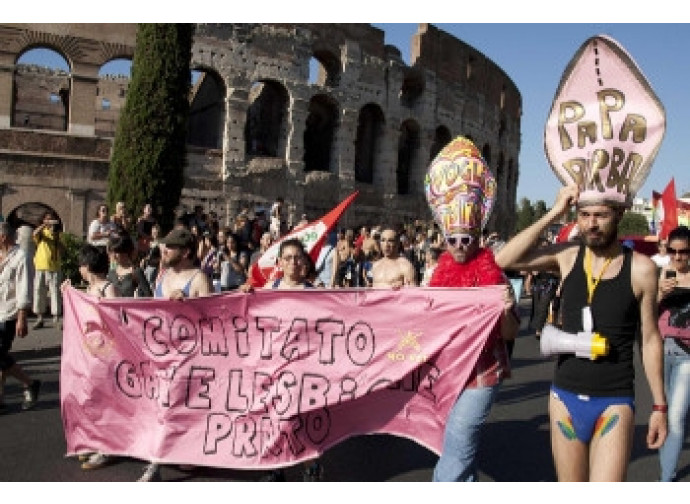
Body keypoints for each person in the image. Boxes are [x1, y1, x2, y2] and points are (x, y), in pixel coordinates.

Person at [495, 184, 667, 481]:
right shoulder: (569, 256)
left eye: (600, 215)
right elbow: (504, 259)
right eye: (584, 215)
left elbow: (650, 339)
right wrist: (554, 213)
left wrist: (659, 405)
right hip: (565, 398)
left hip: (614, 400)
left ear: (620, 214)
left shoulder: (641, 269)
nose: (591, 223)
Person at [424, 136, 517, 481]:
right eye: (454, 240)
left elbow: (510, 335)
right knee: (455, 446)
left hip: (482, 373)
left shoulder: (494, 277)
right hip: (449, 373)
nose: (461, 246)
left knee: (459, 442)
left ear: (478, 238)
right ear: (444, 241)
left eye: (467, 239)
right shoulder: (438, 274)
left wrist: (506, 310)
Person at [240, 238, 323, 481]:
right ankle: (277, 468)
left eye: (298, 258)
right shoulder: (268, 291)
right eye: (288, 258)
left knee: (306, 424)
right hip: (274, 369)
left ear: (305, 263)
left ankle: (311, 469)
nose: (294, 262)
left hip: (304, 370)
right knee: (275, 421)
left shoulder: (317, 294)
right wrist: (246, 295)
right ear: (280, 263)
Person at [138, 227, 213, 482]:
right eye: (164, 246)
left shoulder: (199, 278)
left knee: (174, 409)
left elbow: (211, 321)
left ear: (186, 252)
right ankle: (164, 457)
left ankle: (156, 464)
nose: (164, 250)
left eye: (169, 248)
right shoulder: (163, 275)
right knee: (159, 409)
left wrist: (189, 304)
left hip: (188, 359)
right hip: (160, 354)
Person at [66, 244, 118, 470]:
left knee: (103, 401)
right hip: (88, 354)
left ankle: (105, 448)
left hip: (105, 355)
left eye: (81, 265)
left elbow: (116, 320)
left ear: (88, 266)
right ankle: (92, 441)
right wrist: (69, 295)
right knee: (88, 398)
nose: (79, 270)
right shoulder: (85, 290)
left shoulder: (108, 288)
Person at [656, 225, 690, 481]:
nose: (677, 257)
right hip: (658, 353)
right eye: (673, 251)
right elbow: (641, 313)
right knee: (663, 412)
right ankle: (666, 464)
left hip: (687, 356)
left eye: (684, 252)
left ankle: (665, 479)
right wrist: (658, 294)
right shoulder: (659, 275)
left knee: (677, 416)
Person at [0, 222, 41, 412]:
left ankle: (30, 382)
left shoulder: (21, 257)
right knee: (1, 359)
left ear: (3, 237)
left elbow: (24, 289)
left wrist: (22, 317)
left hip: (8, 314)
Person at [31, 211, 63, 330]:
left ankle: (56, 318)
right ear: (43, 220)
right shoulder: (41, 232)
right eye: (47, 219)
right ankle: (40, 318)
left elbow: (62, 249)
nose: (50, 221)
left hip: (54, 266)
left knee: (55, 292)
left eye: (51, 219)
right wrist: (44, 225)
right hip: (40, 265)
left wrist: (56, 238)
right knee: (39, 291)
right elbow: (34, 233)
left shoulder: (57, 233)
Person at [106, 233, 152, 298]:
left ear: (125, 252)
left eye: (116, 252)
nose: (114, 255)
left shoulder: (136, 272)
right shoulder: (111, 273)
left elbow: (149, 296)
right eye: (112, 252)